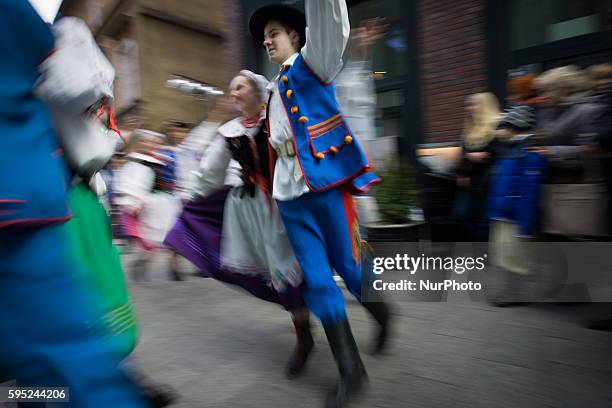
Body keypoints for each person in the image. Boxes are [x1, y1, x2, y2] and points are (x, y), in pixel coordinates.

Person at [0, 1, 149, 406]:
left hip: (49, 200)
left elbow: (86, 96)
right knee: (59, 352)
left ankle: (97, 386)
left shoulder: (66, 37)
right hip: (39, 199)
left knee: (60, 347)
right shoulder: (57, 35)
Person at [249, 2, 391, 406]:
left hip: (326, 186)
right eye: (265, 35)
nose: (266, 39)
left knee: (349, 264)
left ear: (296, 35)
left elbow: (330, 22)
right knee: (316, 280)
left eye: (274, 32)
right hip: (290, 195)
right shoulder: (273, 88)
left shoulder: (315, 63)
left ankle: (384, 314)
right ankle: (352, 371)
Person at [164, 70, 314, 379]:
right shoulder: (229, 131)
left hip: (285, 201)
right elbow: (210, 173)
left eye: (239, 86)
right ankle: (304, 336)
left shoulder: (277, 120)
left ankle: (335, 317)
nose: (233, 93)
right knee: (278, 271)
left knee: (298, 266)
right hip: (249, 210)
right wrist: (190, 199)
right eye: (231, 88)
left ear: (258, 92)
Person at [455, 92, 500, 242]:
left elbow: (495, 154)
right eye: (469, 104)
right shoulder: (469, 128)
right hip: (469, 181)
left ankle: (484, 257)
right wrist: (464, 169)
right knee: (464, 216)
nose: (469, 108)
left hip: (487, 181)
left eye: (474, 104)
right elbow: (463, 154)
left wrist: (474, 156)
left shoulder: (496, 126)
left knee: (483, 220)